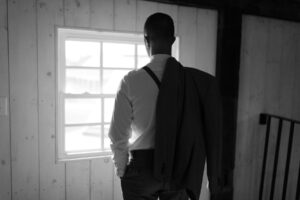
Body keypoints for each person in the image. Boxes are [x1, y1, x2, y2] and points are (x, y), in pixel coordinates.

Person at [109, 13, 223, 200]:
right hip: (180, 166)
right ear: (172, 39)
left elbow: (118, 133)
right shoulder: (194, 82)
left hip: (142, 169)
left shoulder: (130, 81)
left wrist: (122, 169)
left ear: (146, 40)